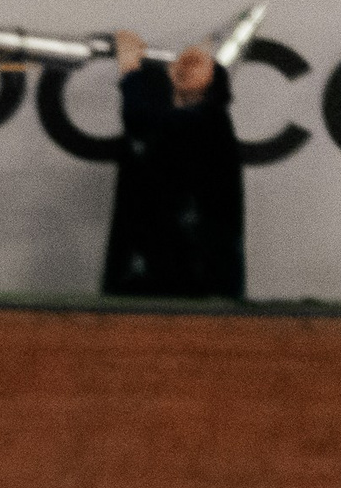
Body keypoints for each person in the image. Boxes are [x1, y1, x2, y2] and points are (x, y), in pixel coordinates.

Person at [99, 36, 245, 301]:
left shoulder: (210, 123)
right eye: (184, 61)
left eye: (202, 62)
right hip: (163, 269)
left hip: (196, 276)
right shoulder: (180, 122)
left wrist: (130, 70)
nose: (189, 61)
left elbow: (143, 122)